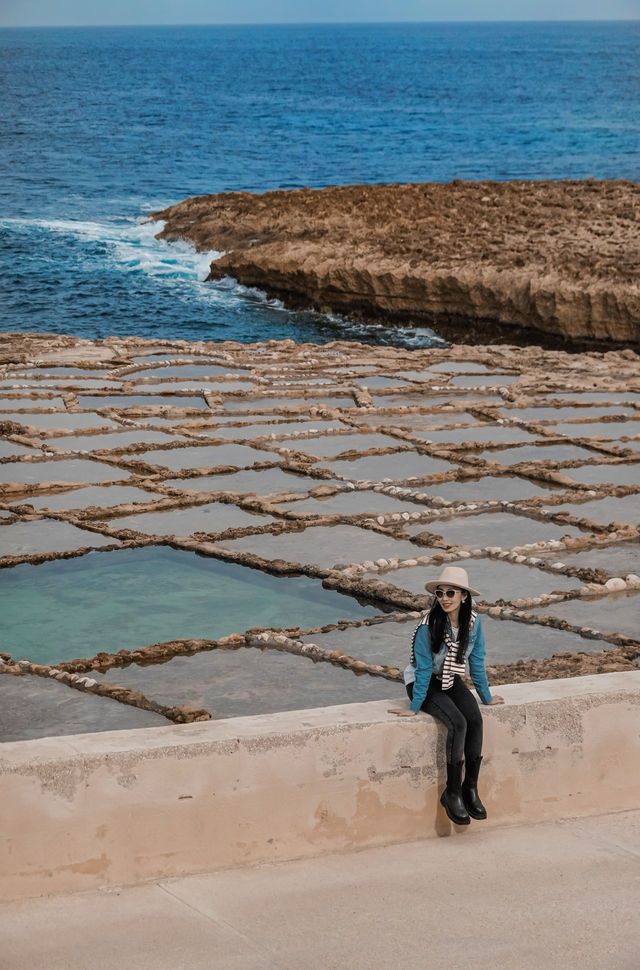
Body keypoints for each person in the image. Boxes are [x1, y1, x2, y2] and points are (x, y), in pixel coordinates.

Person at [388, 565, 504, 825]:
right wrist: (414, 706)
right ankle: (451, 792)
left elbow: (476, 660)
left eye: (451, 593)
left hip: (450, 679)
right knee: (458, 722)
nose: (444, 598)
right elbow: (423, 668)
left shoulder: (472, 622)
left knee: (475, 719)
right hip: (423, 682)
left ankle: (470, 788)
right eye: (440, 593)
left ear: (464, 596)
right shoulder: (427, 627)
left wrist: (486, 696)